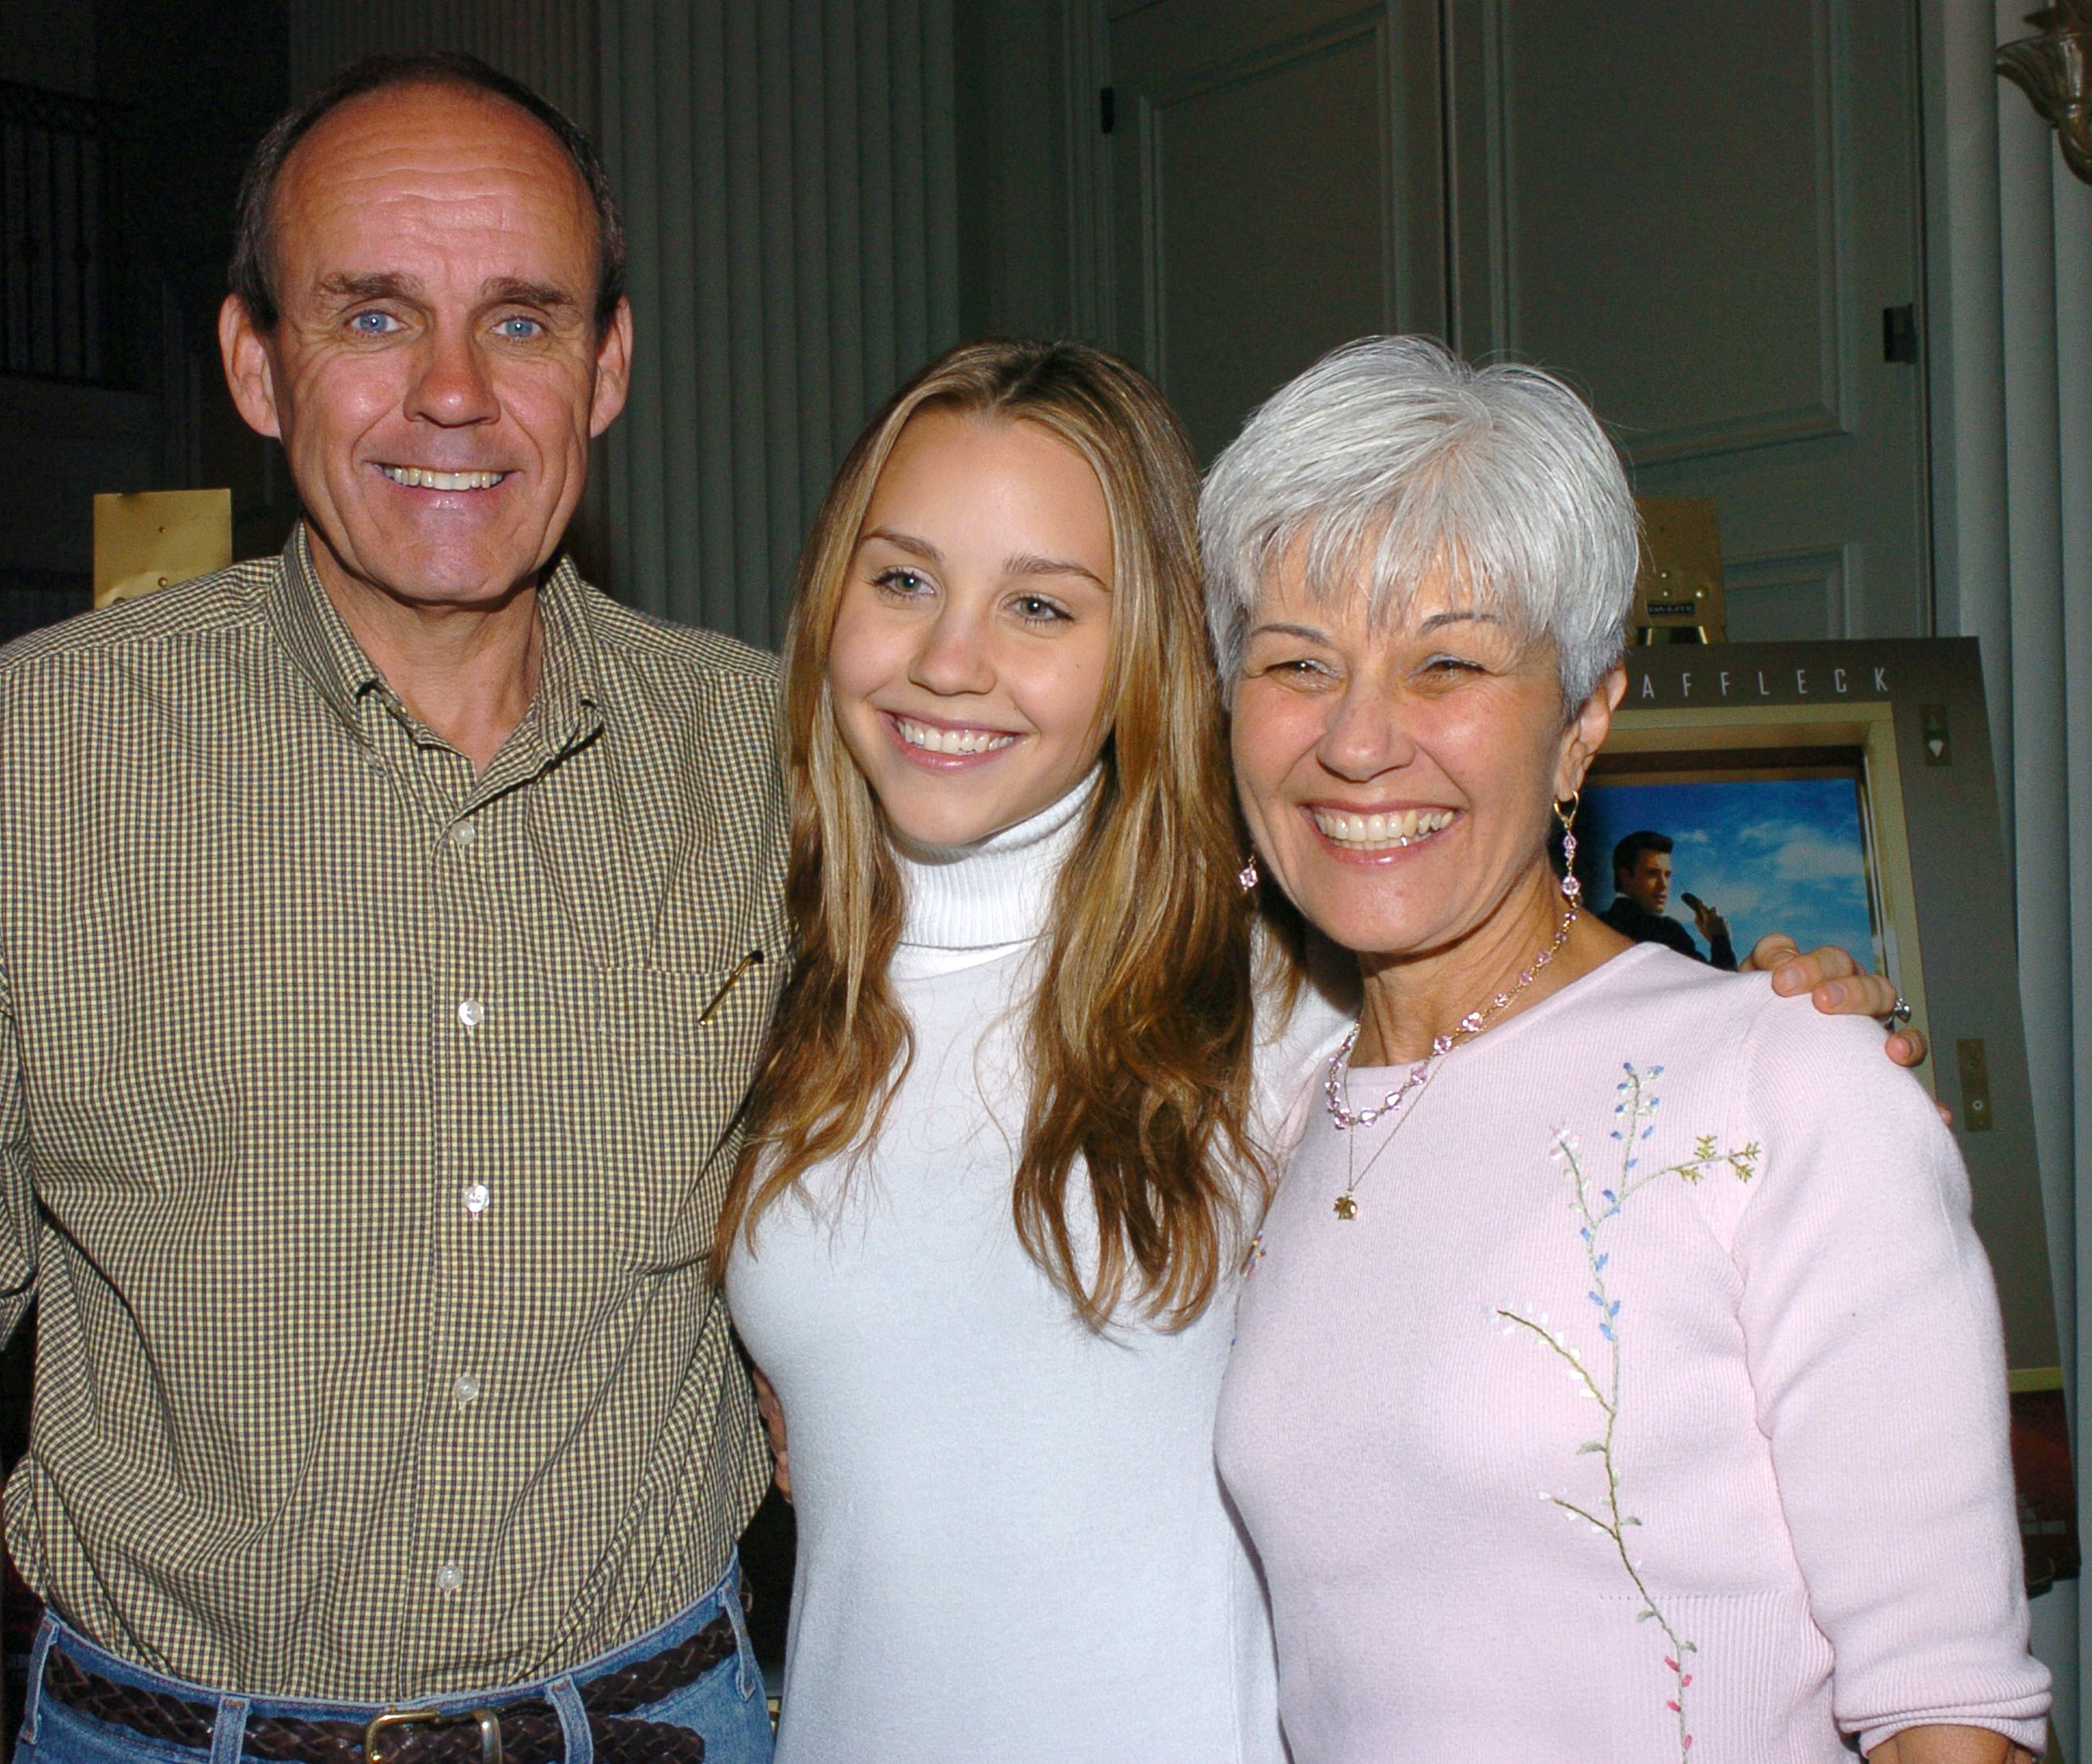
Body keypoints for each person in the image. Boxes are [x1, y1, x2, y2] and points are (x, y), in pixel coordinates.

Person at [0, 54, 781, 1764]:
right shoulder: (33, 756)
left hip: (669, 1720)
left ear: (608, 366)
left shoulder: (767, 764)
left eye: (521, 321)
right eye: (373, 317)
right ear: (254, 364)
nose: (454, 393)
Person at [715, 337, 1924, 1762]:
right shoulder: (747, 972)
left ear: (1152, 654)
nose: (948, 660)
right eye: (901, 577)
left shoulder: (1287, 994)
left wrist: (1793, 1033)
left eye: (1041, 603)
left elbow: (1592, 1100)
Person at [1206, 336, 2049, 1762]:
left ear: (1584, 721)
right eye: (1299, 663)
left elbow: (1951, 1712)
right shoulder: (1274, 1109)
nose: (1358, 741)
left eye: (1449, 664)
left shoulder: (1786, 1087)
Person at [1603, 827, 1735, 968]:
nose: (1663, 885)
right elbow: (1722, 985)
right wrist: (1720, 938)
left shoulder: (1599, 923)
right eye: (1653, 873)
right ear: (1626, 877)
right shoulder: (1667, 931)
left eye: (1667, 875)